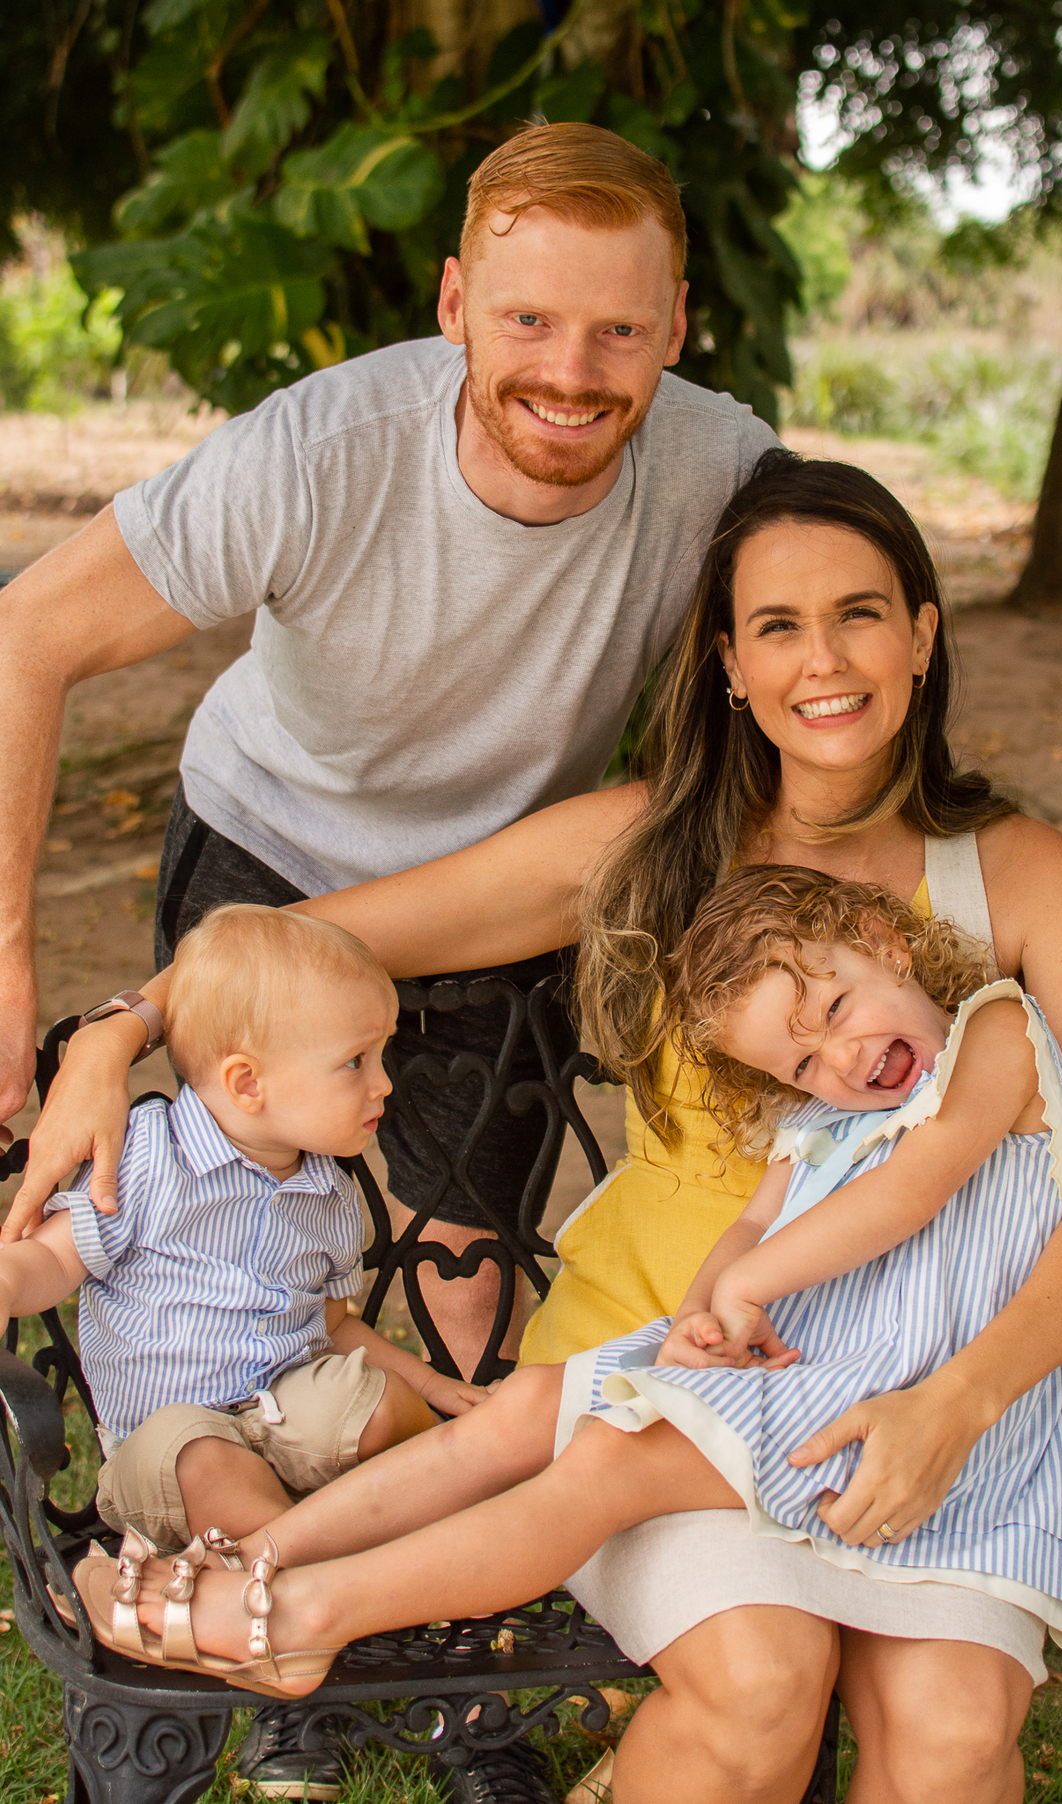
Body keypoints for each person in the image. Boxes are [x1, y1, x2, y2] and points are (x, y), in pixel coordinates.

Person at [14, 451, 1062, 1804]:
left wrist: (958, 1405)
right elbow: (319, 942)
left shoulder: (1018, 876)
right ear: (729, 664)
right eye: (778, 626)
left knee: (956, 1735)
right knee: (762, 1683)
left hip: (940, 1384)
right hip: (675, 1360)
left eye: (859, 613)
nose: (823, 661)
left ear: (922, 632)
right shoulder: (652, 844)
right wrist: (120, 1028)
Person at [0, 119, 775, 1801]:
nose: (571, 370)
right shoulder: (322, 449)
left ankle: (438, 1639)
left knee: (466, 1259)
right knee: (223, 1212)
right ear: (451, 303)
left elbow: (792, 695)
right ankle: (242, 1606)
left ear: (677, 324)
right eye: (527, 319)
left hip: (504, 880)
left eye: (618, 328)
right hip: (272, 851)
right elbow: (30, 630)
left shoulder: (724, 471)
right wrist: (14, 971)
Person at [68, 865, 1062, 1804]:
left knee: (605, 1463)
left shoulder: (995, 1029)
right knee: (530, 1407)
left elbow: (918, 1186)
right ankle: (253, 1564)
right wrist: (706, 1308)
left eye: (837, 1007)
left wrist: (753, 1283)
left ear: (889, 943)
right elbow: (751, 1226)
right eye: (801, 1063)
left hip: (911, 1399)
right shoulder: (820, 1120)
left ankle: (298, 1618)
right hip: (829, 1373)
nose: (840, 1058)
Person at [1, 906, 484, 1564]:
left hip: (283, 1420)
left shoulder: (328, 1193)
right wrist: (7, 1281)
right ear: (247, 1082)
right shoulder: (149, 1157)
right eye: (355, 1062)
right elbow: (55, 1261)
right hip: (165, 1450)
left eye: (380, 1055)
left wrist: (425, 1385)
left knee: (381, 1404)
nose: (384, 1084)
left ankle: (338, 1541)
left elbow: (332, 1325)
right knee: (204, 1456)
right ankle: (303, 1567)